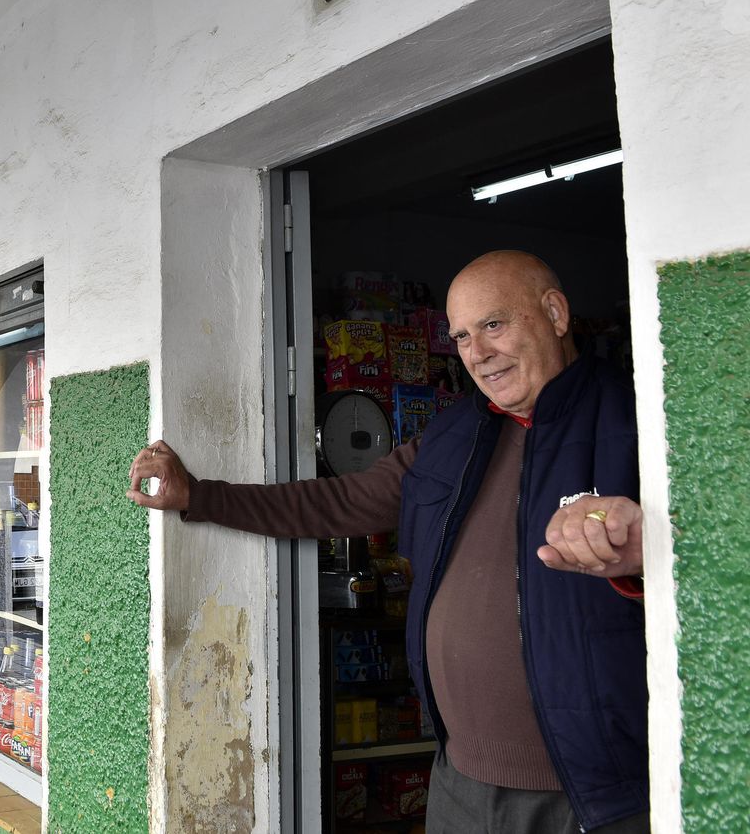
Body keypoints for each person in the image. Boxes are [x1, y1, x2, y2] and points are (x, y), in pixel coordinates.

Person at [128, 251, 647, 833]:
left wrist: (646, 552)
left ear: (554, 313)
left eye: (494, 325)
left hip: (592, 789)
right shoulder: (455, 435)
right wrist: (199, 496)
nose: (476, 352)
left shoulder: (641, 423)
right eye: (460, 335)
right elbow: (337, 502)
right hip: (459, 777)